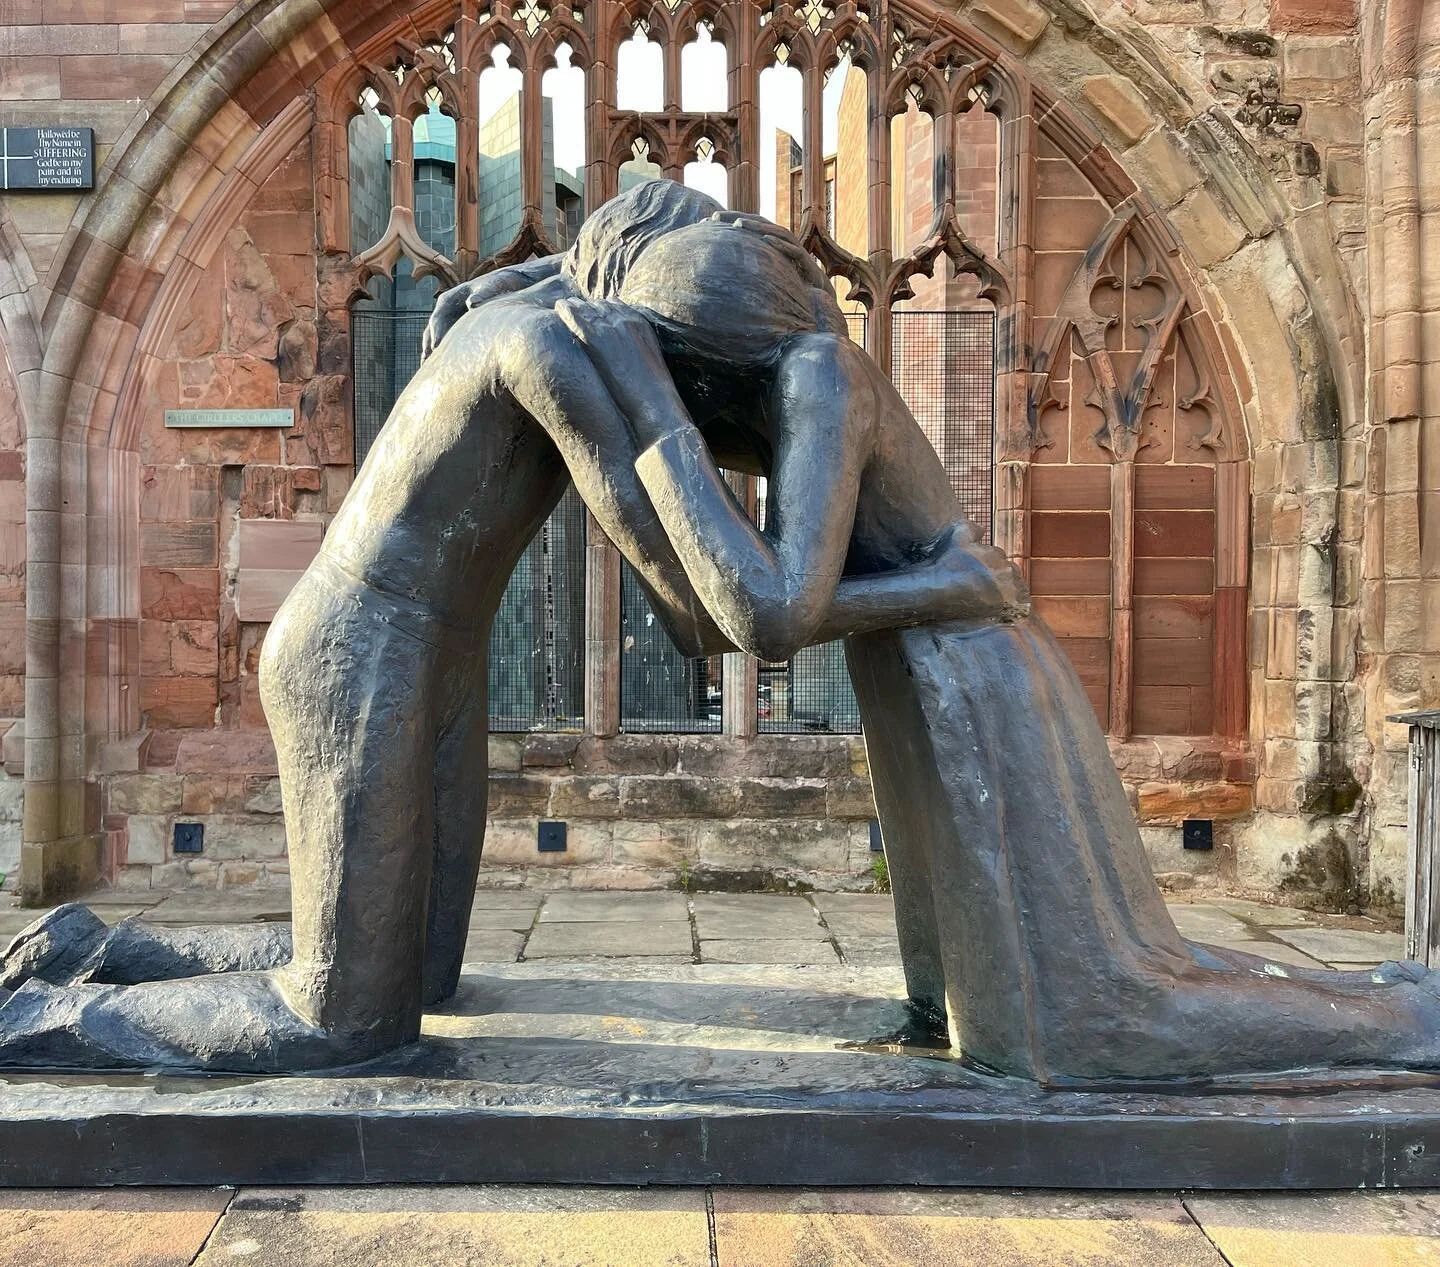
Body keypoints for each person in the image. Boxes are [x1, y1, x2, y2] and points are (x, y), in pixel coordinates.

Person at [2, 181, 1438, 1082]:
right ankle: (45, 1019)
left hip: (399, 648)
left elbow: (696, 576)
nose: (705, 410)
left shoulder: (525, 305)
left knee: (411, 977)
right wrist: (918, 578)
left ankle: (94, 949)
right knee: (342, 1020)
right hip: (355, 657)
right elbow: (721, 598)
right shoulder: (567, 342)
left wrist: (720, 524)